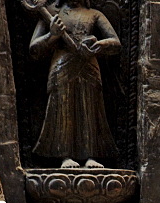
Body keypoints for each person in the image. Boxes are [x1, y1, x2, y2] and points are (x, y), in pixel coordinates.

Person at [30, 0, 121, 168]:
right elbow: (34, 49)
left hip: (88, 65)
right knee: (62, 108)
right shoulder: (51, 14)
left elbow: (115, 43)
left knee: (89, 109)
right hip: (62, 64)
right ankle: (64, 155)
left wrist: (99, 45)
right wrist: (52, 35)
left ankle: (91, 155)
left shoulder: (94, 14)